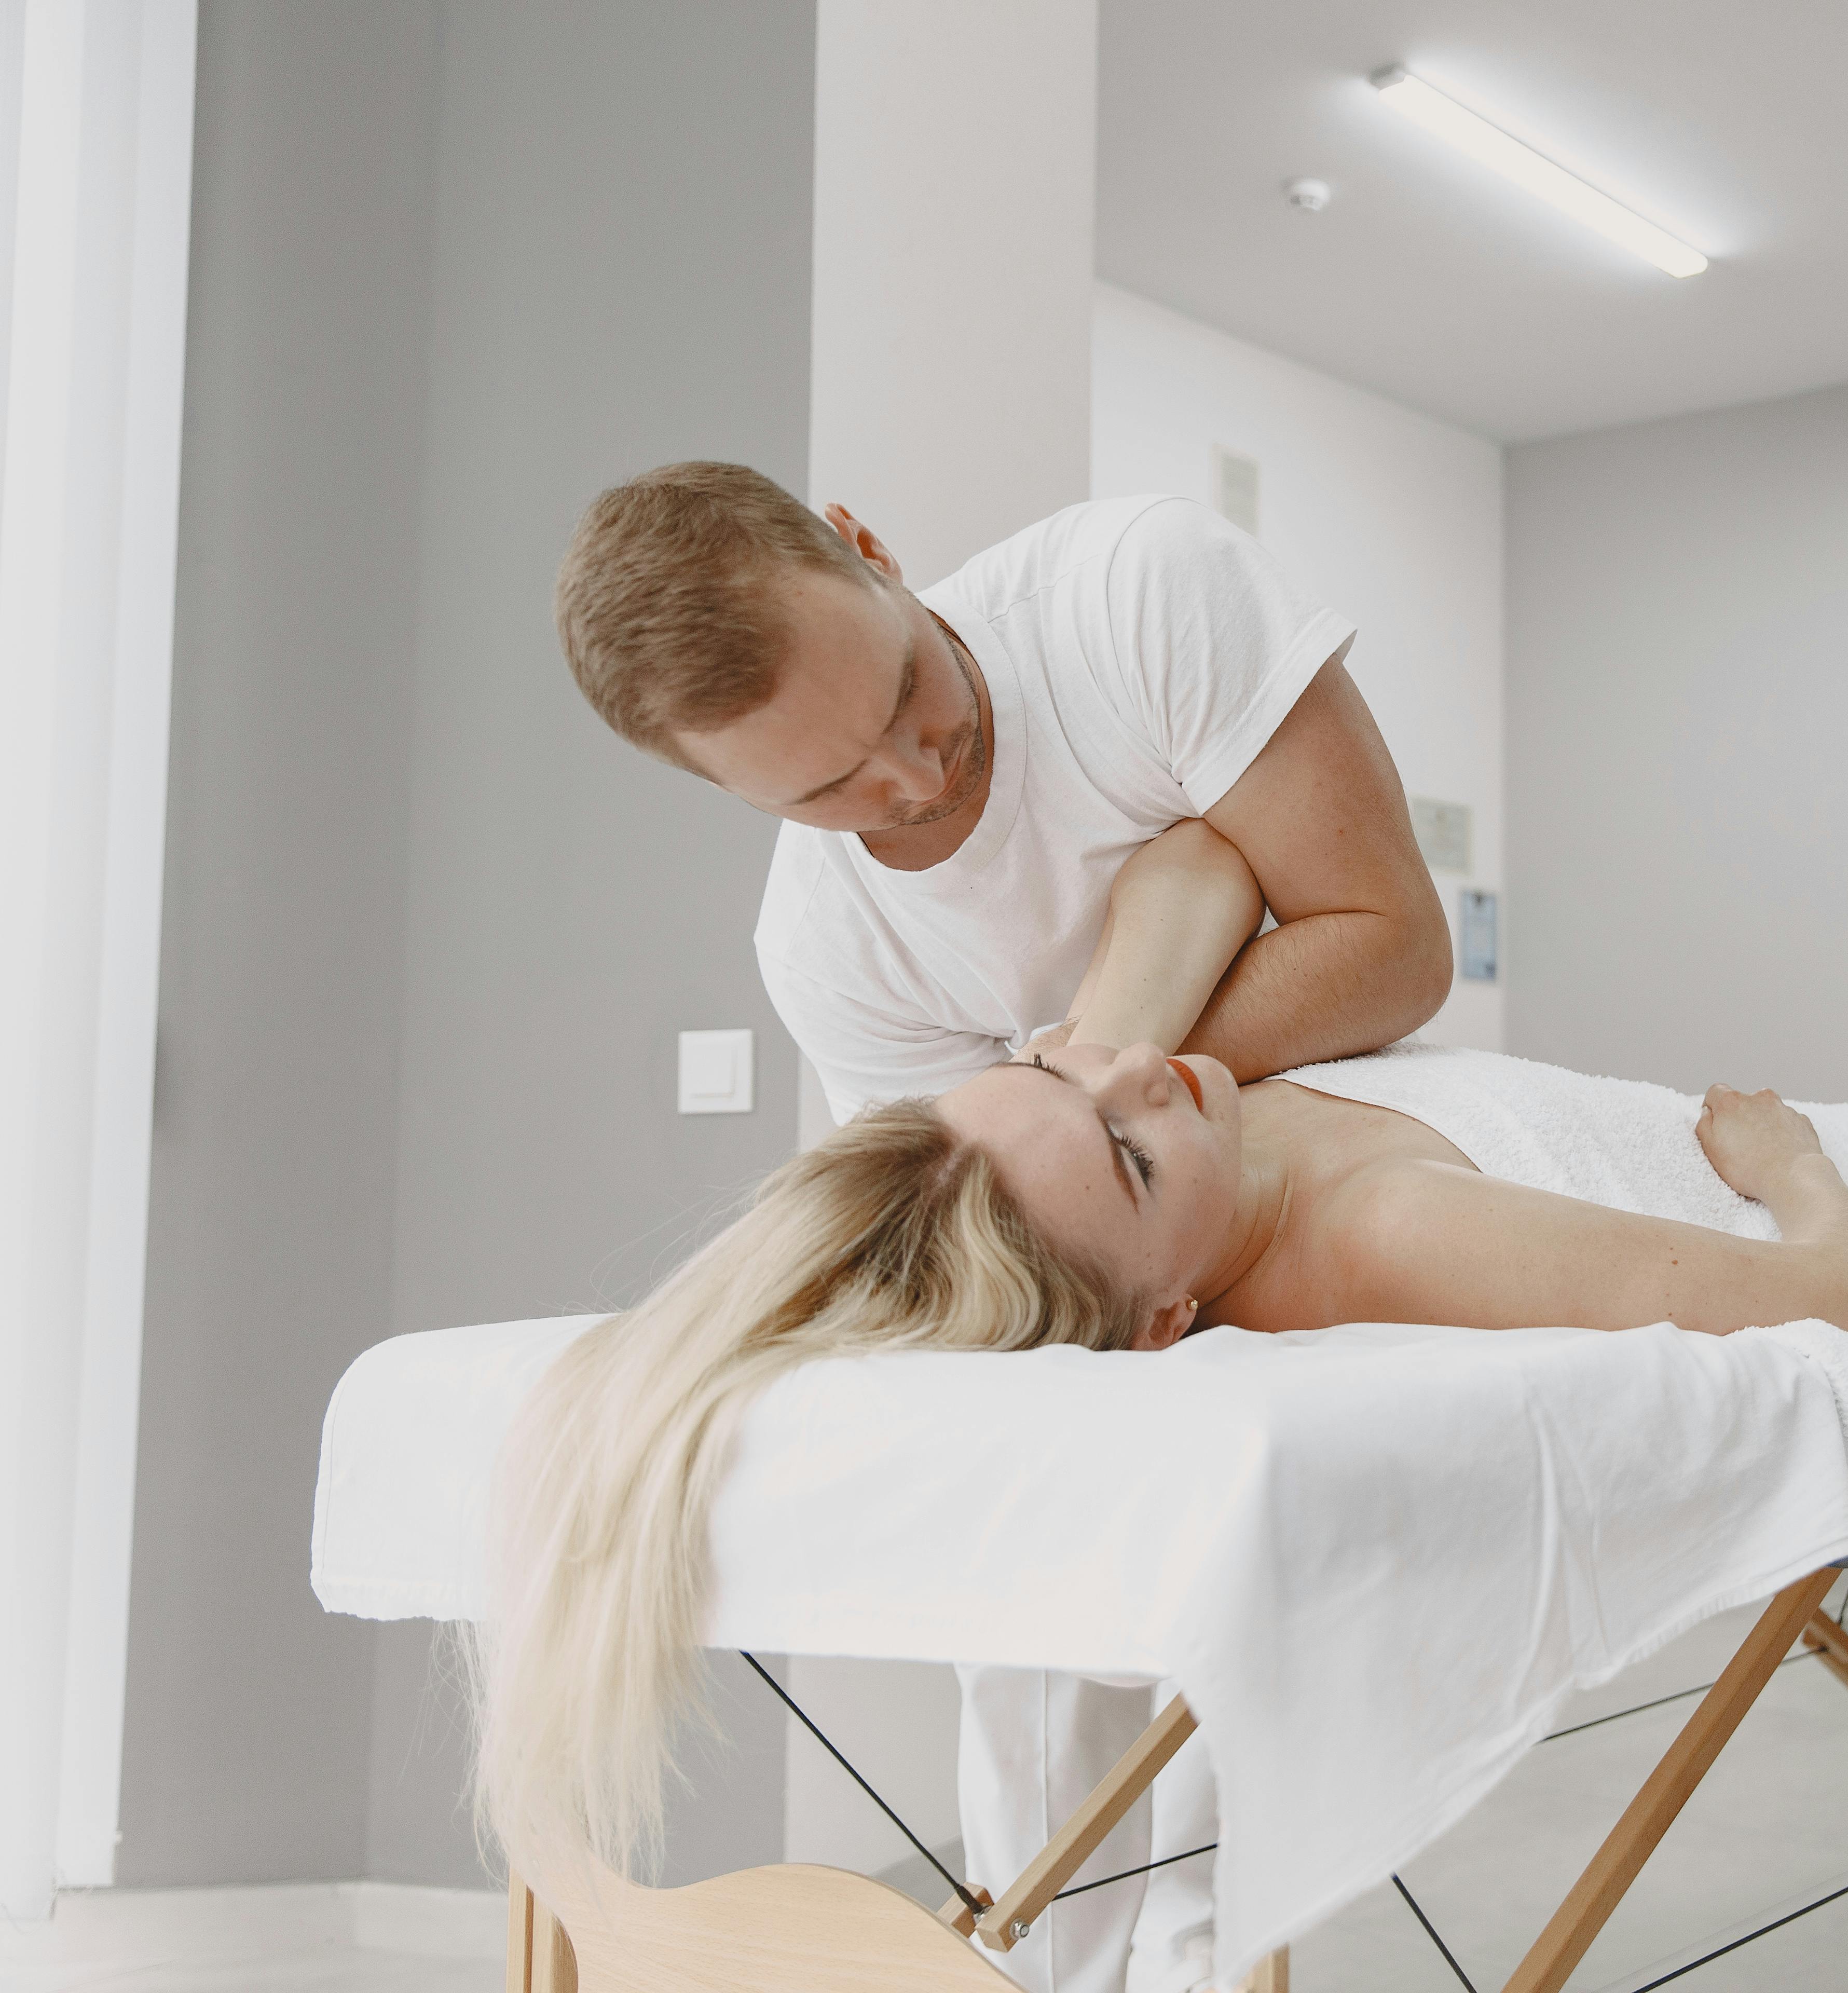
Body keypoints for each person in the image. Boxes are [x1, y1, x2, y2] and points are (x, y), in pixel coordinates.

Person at [471, 814, 1848, 1928]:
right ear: (1163, 1331)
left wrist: (1099, 1062)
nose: (1148, 1075)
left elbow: (1201, 859)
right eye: (1125, 1151)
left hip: (1795, 1131)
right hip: (1845, 1180)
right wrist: (1786, 1159)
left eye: (1058, 1071)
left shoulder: (1149, 1099)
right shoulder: (1383, 1245)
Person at [554, 463, 1452, 1991]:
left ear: (869, 548)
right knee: (1033, 1574)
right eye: (827, 790)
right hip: (1093, 1245)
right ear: (730, 796)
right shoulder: (824, 945)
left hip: (1326, 1140)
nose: (911, 779)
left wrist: (1084, 1073)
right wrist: (1141, 999)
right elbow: (1008, 1222)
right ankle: (1042, 1967)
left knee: (1229, 1555)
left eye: (905, 691)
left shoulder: (1138, 597)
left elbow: (1390, 949)